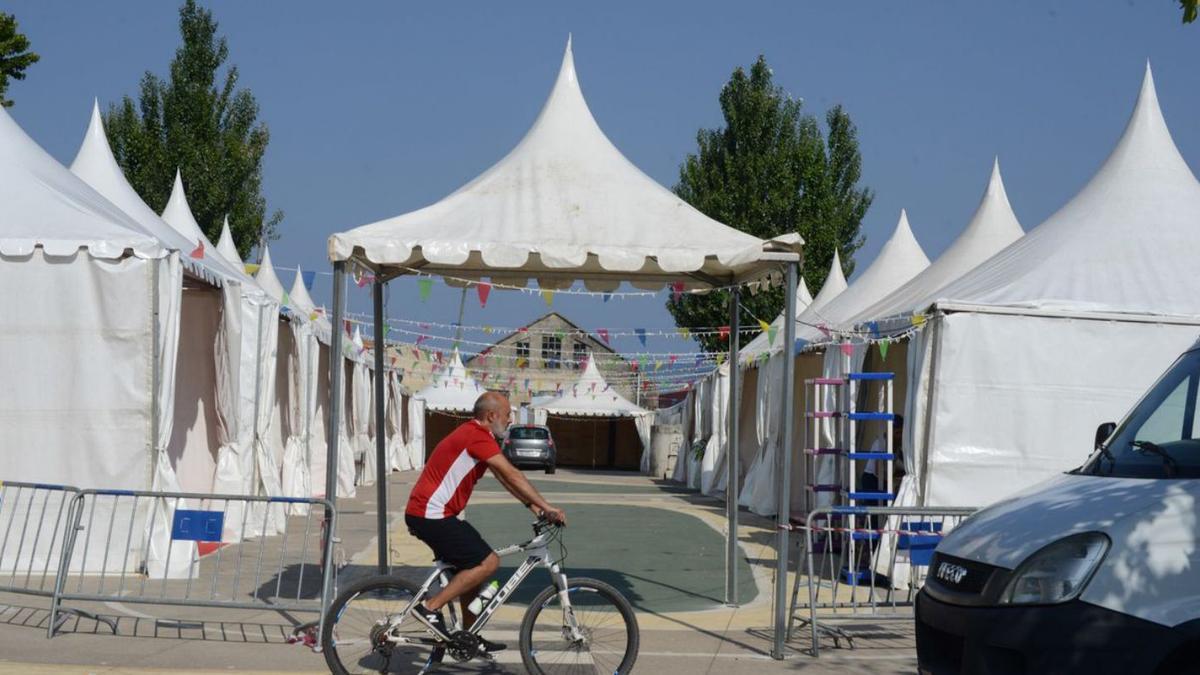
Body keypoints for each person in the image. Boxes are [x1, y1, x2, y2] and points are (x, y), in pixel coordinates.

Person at [404, 390, 566, 653]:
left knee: (471, 572)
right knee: (488, 562)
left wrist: (533, 507)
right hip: (430, 514)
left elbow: (503, 478)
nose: (511, 419)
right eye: (507, 414)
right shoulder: (476, 436)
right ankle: (429, 608)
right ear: (491, 416)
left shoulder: (478, 435)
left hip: (435, 513)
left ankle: (468, 636)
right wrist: (548, 507)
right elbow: (512, 474)